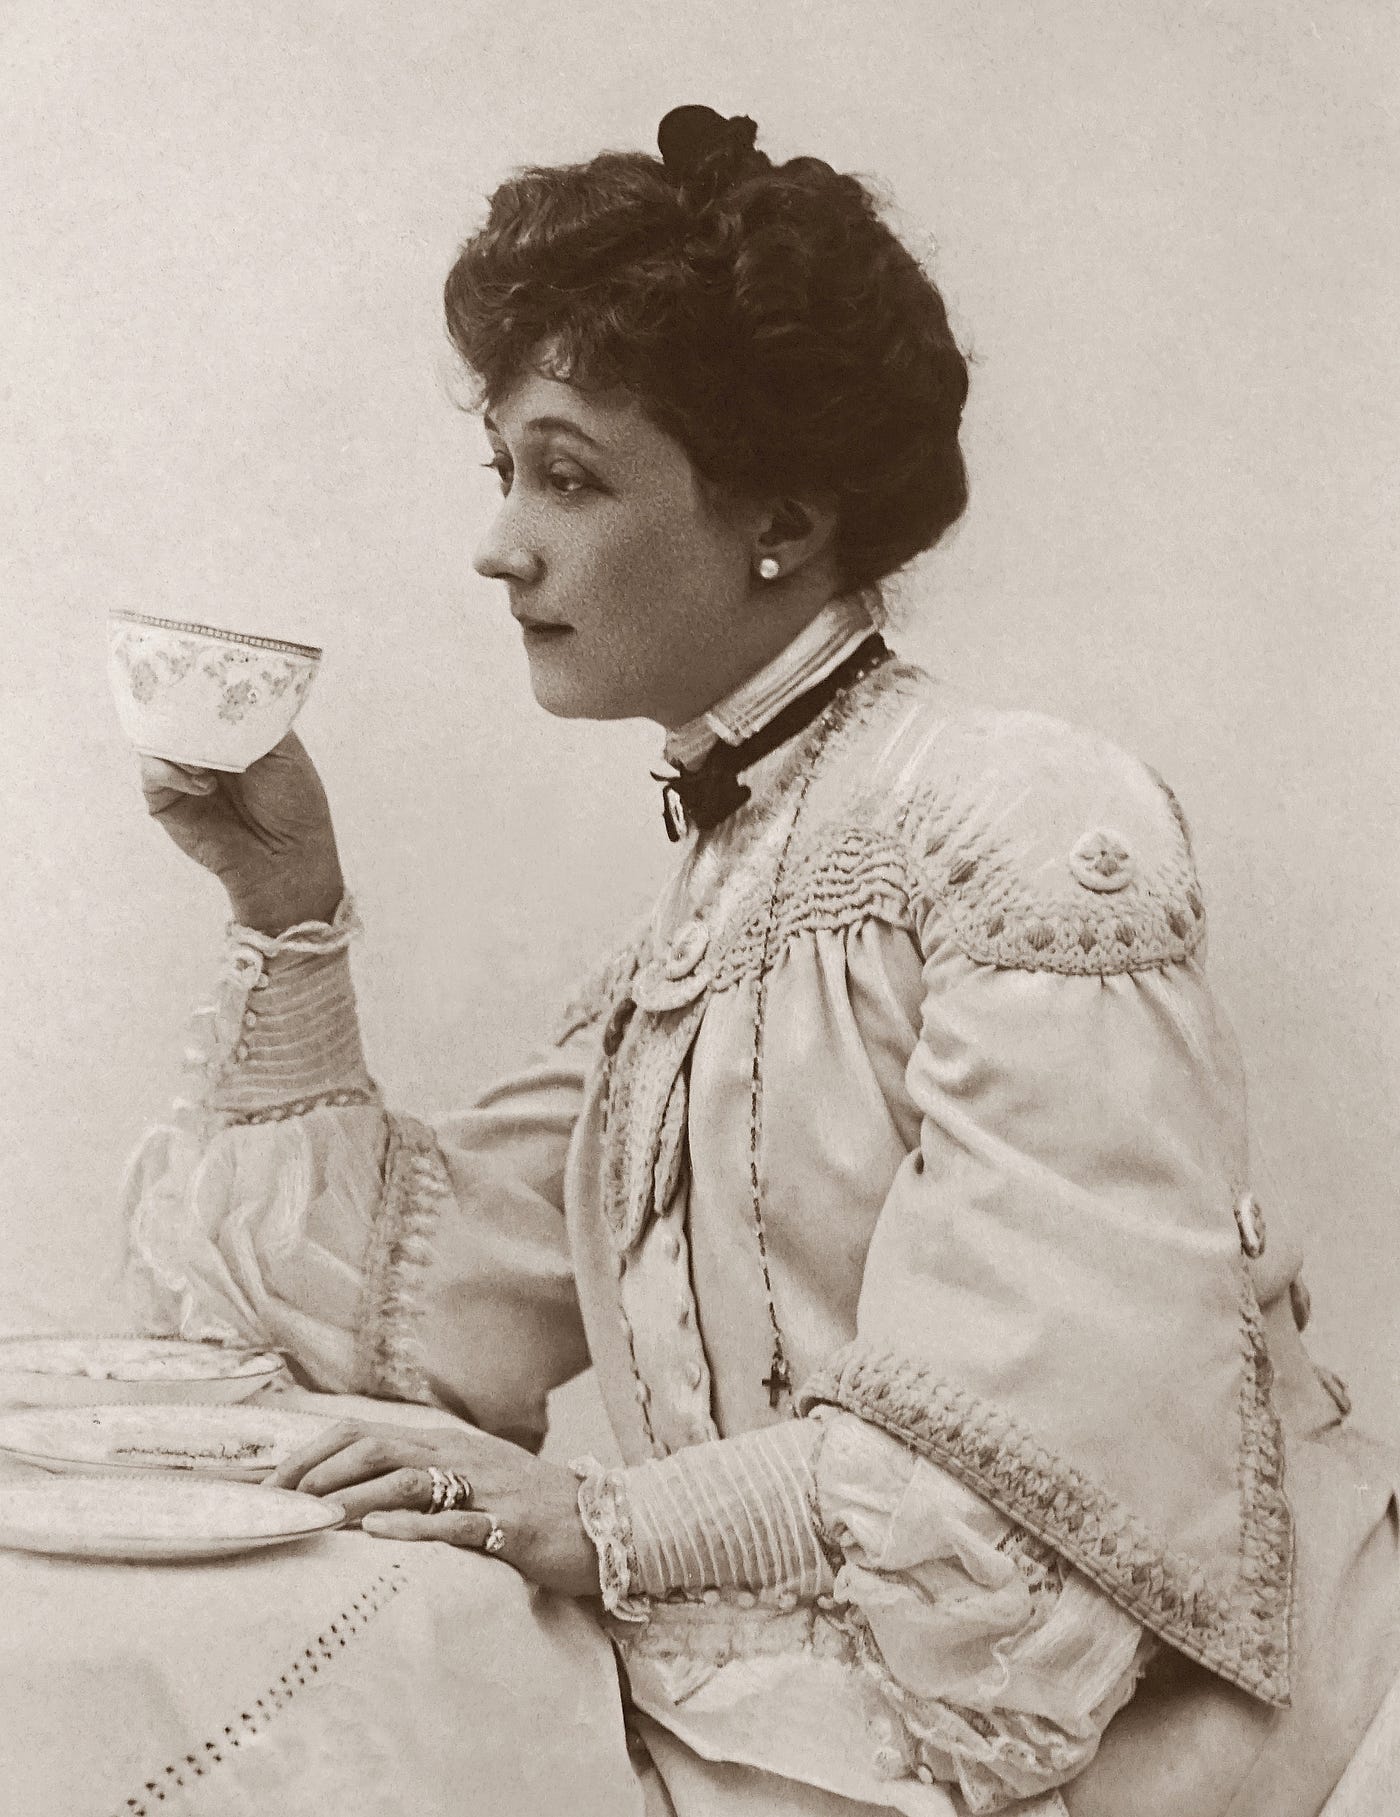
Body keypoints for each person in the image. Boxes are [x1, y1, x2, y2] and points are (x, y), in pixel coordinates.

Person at [123, 106, 1398, 1816]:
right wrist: (288, 909)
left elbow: (1053, 1447)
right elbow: (403, 1321)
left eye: (568, 473)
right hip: (802, 1711)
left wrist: (605, 1520)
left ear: (781, 517)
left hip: (1173, 1743)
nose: (504, 545)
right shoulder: (719, 904)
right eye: (503, 472)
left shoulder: (1023, 822)